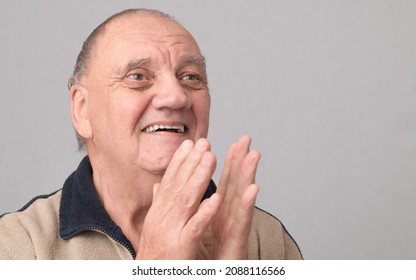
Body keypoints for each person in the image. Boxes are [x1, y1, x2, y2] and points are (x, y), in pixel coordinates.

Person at [0, 8, 302, 260]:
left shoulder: (265, 240)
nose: (177, 96)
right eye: (138, 77)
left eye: (190, 77)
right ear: (83, 110)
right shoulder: (20, 245)